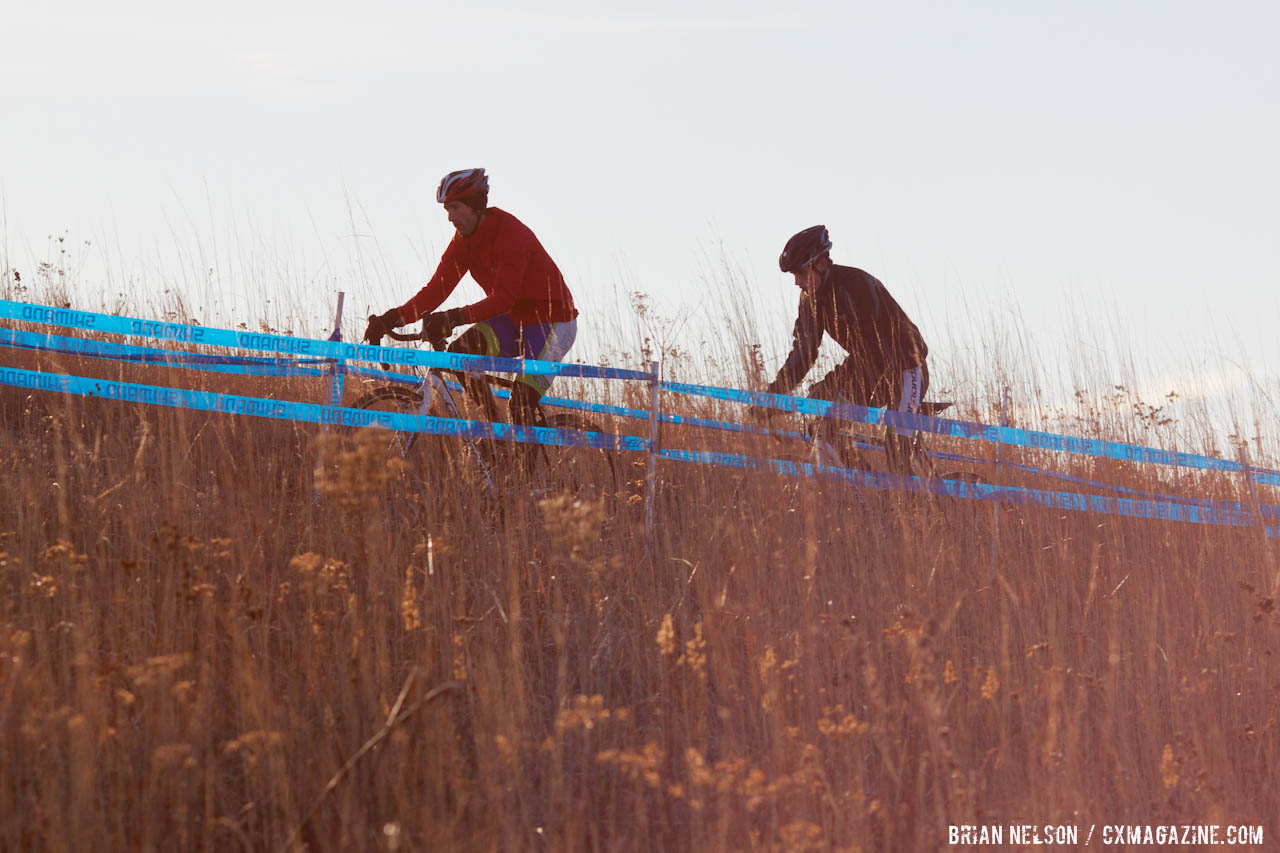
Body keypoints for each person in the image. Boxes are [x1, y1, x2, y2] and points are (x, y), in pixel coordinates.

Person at [364, 168, 578, 432]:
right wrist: (391, 318)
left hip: (553, 323)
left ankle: (523, 467)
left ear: (476, 206)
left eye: (455, 208)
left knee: (520, 403)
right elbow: (435, 291)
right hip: (513, 320)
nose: (450, 218)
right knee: (459, 354)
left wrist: (455, 317)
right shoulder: (463, 242)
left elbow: (503, 299)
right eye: (446, 211)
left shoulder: (511, 234)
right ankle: (496, 436)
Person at [765, 225, 929, 472]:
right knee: (822, 429)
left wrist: (834, 386)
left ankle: (906, 503)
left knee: (895, 445)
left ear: (821, 264)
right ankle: (873, 496)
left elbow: (874, 356)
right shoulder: (811, 298)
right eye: (794, 276)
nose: (797, 282)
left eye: (801, 272)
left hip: (905, 368)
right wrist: (773, 396)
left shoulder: (855, 286)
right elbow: (803, 352)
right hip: (870, 369)